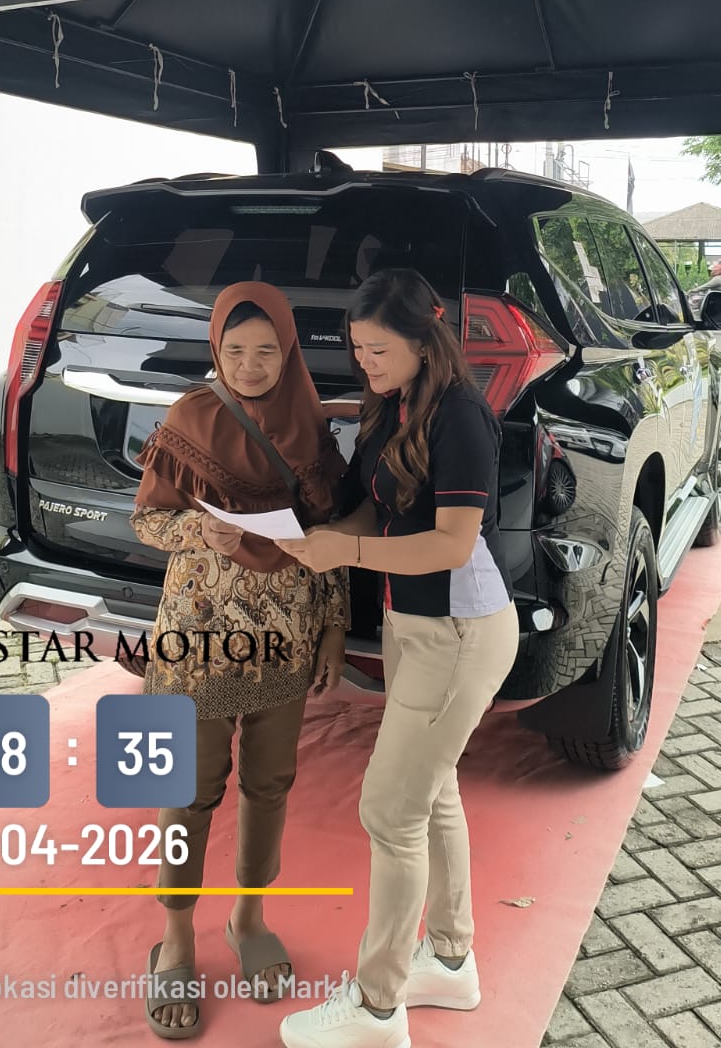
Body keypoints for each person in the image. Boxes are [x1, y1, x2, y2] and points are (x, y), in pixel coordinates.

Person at [273, 268, 518, 1048]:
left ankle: (378, 1007)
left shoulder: (462, 417)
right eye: (357, 348)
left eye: (378, 349)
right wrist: (307, 537)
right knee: (430, 794)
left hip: (462, 633)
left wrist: (344, 550)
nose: (364, 362)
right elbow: (368, 512)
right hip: (412, 626)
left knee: (390, 809)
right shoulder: (392, 407)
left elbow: (451, 545)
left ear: (423, 340)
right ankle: (449, 960)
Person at [130, 281, 349, 1040]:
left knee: (269, 783)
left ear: (288, 352)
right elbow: (147, 520)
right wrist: (199, 530)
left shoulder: (311, 427)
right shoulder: (191, 416)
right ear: (216, 351)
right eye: (235, 351)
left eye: (266, 352)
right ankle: (175, 938)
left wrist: (333, 630)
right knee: (188, 791)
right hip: (199, 638)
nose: (251, 366)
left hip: (286, 636)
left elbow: (331, 543)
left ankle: (248, 917)